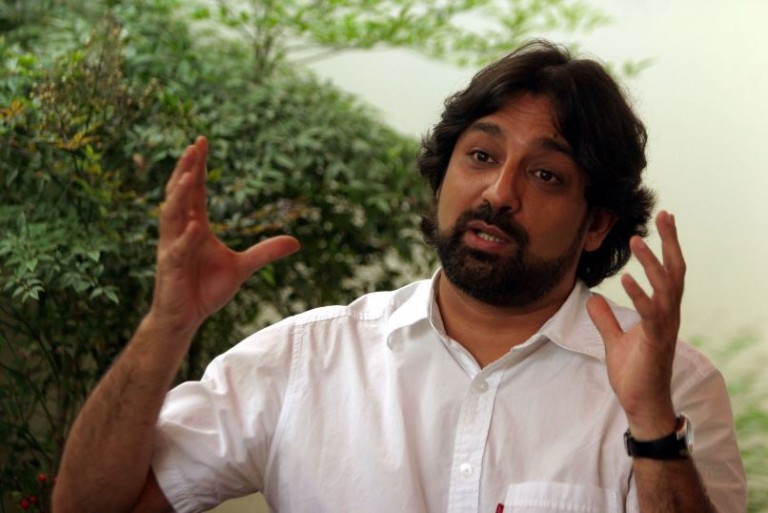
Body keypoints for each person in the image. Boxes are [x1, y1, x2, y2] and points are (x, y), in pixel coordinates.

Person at [53, 40, 746, 513]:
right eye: (481, 156)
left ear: (596, 224)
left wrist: (651, 422)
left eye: (545, 174)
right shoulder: (308, 357)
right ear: (443, 177)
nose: (499, 193)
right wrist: (166, 325)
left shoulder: (675, 387)